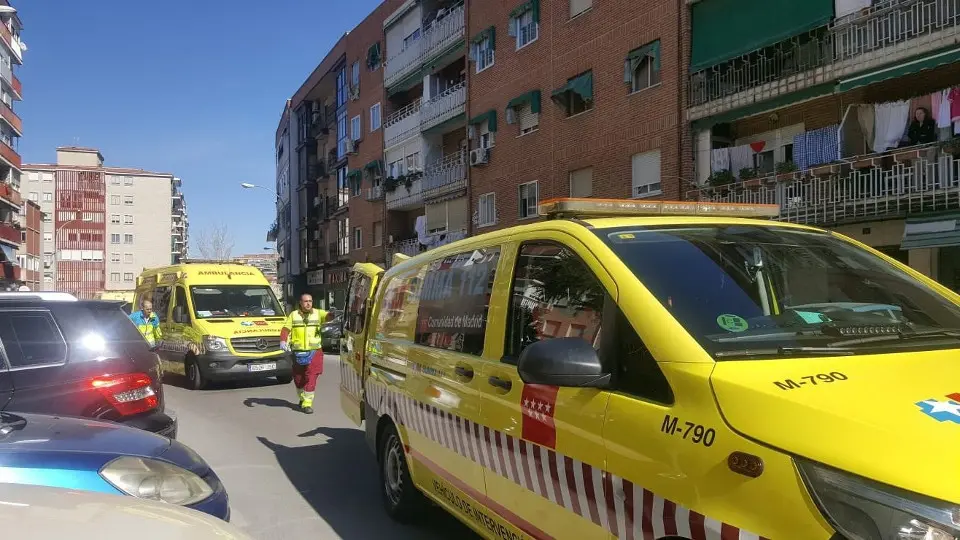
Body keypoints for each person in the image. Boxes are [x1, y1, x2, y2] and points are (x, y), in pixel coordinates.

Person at [280, 293, 328, 414]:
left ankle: (307, 403)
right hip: (298, 352)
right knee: (298, 378)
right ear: (300, 303)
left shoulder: (318, 313)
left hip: (315, 351)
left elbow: (329, 316)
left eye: (310, 301)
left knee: (311, 376)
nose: (308, 303)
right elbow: (285, 329)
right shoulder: (293, 315)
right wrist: (283, 340)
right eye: (305, 301)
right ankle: (302, 398)